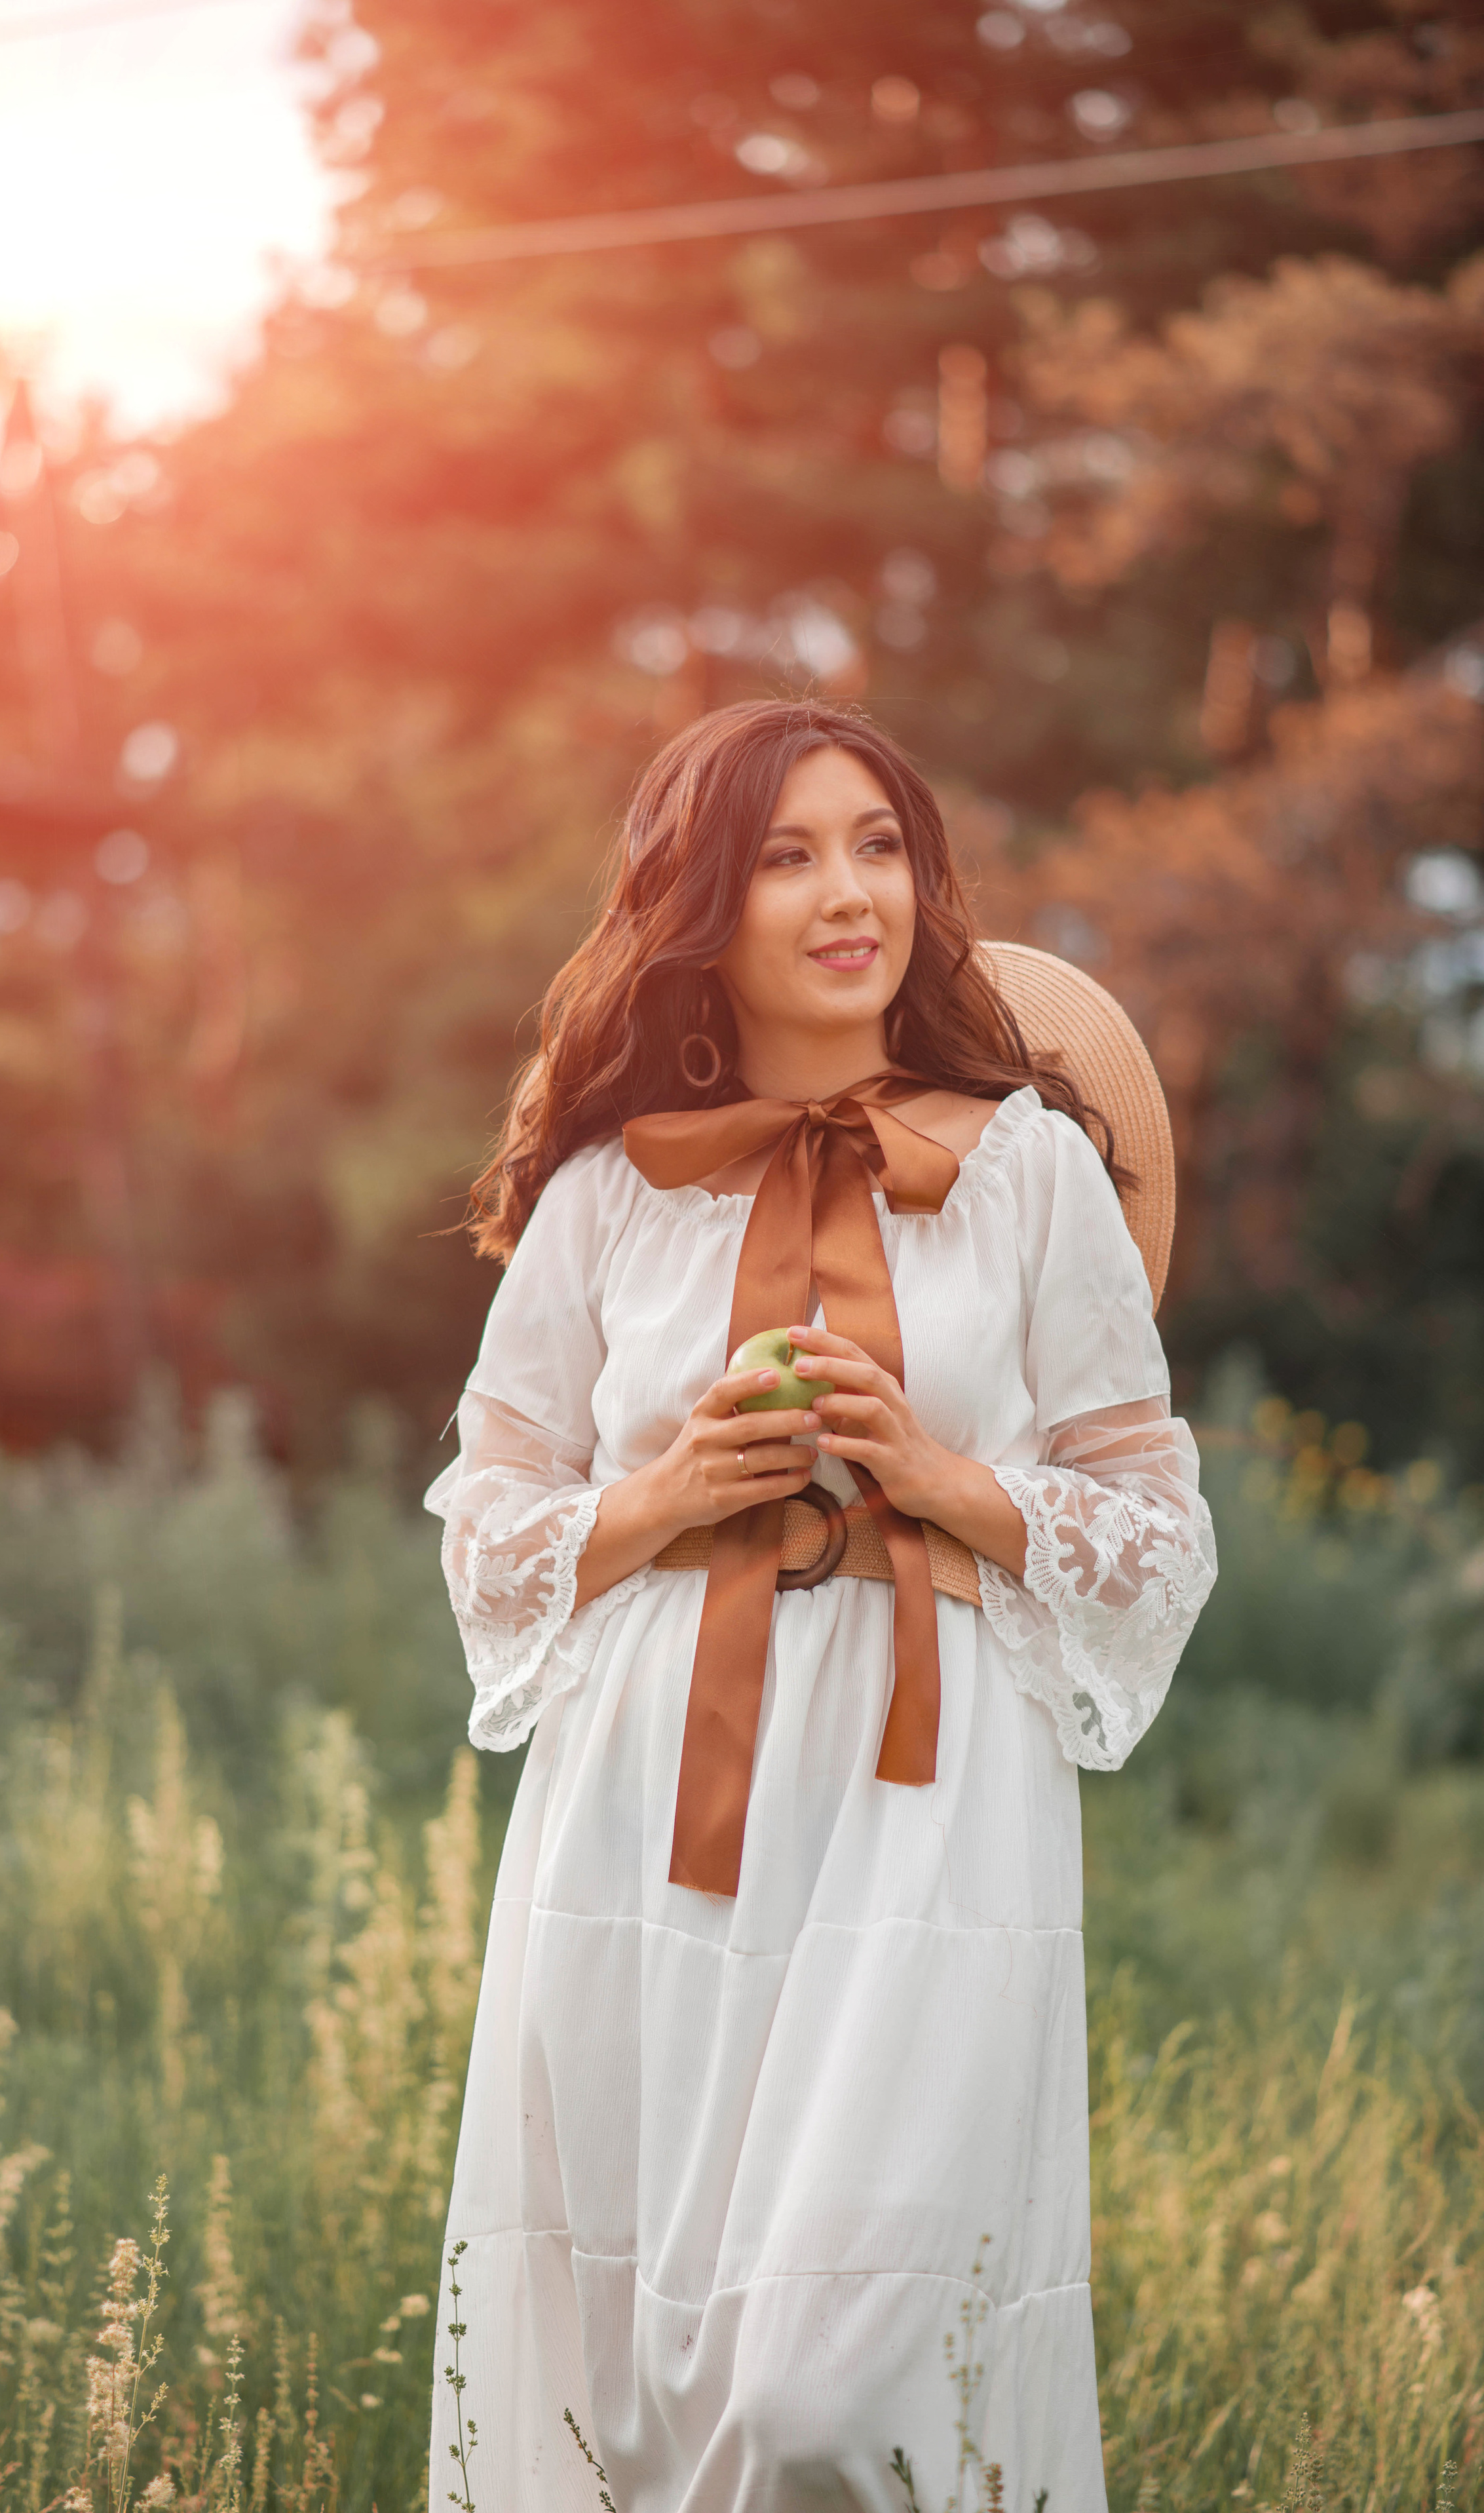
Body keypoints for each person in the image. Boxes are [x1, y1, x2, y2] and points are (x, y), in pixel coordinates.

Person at [425, 699, 1216, 2512]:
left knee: (819, 2394)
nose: (848, 890)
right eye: (787, 854)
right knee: (620, 2389)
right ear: (704, 903)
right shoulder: (611, 1199)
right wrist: (665, 1495)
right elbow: (489, 1522)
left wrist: (947, 1480)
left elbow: (1156, 1519)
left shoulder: (1027, 1173)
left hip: (928, 1801)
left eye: (878, 844)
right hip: (649, 1813)